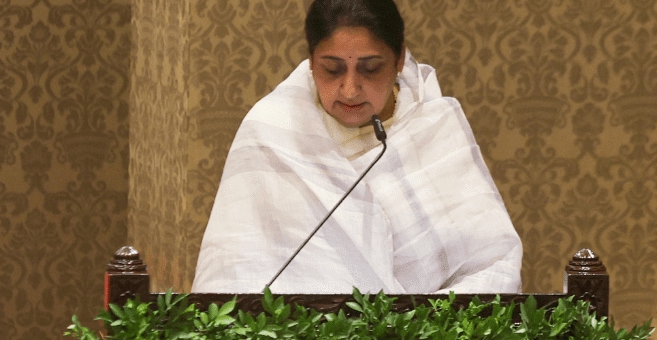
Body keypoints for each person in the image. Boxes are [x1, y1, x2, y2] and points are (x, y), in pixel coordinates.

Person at [191, 0, 522, 294]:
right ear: (310, 60)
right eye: (332, 69)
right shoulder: (271, 132)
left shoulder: (433, 128)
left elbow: (494, 267)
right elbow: (232, 278)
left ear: (400, 59)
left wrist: (416, 336)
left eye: (371, 68)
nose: (349, 90)